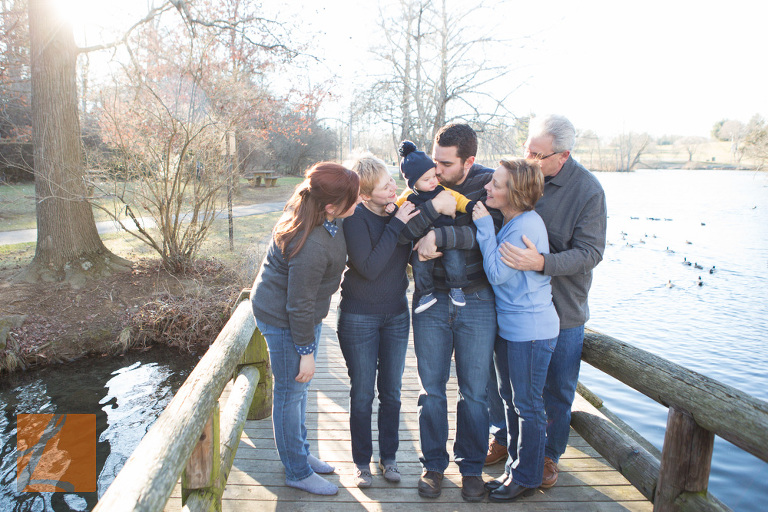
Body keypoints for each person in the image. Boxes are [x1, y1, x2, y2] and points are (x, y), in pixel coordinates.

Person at [499, 114, 607, 488]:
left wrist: (542, 262)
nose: (529, 159)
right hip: (515, 304)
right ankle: (504, 438)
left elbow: (591, 252)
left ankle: (548, 455)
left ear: (563, 156)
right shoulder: (518, 175)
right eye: (527, 150)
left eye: (538, 155)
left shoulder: (588, 191)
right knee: (508, 383)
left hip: (563, 308)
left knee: (558, 388)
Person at [399, 123, 503, 502]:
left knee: (475, 392)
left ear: (468, 161)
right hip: (430, 300)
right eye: (434, 161)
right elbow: (402, 231)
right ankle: (433, 466)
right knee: (431, 390)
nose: (436, 170)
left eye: (445, 164)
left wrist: (438, 235)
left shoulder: (490, 185)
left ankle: (471, 467)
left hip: (476, 299)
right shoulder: (422, 184)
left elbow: (490, 231)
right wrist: (431, 216)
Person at [250, 162, 360, 496]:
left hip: (302, 314)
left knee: (300, 390)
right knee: (290, 392)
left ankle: (300, 453)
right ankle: (296, 471)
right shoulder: (310, 243)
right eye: (354, 198)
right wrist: (306, 352)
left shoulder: (325, 216)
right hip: (284, 318)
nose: (359, 202)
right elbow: (297, 305)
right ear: (331, 207)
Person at [473, 158, 560, 501]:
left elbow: (496, 274)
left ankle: (526, 477)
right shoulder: (513, 221)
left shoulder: (526, 227)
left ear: (516, 192)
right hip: (512, 328)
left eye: (495, 184)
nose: (487, 187)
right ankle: (514, 469)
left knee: (527, 405)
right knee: (512, 402)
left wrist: (484, 227)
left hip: (531, 330)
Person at [336, 154, 419, 488]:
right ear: (365, 195)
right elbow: (369, 268)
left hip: (396, 315)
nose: (393, 187)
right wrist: (396, 224)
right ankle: (361, 463)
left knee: (392, 393)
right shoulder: (355, 218)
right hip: (359, 317)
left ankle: (389, 458)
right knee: (362, 394)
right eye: (385, 186)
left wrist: (405, 223)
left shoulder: (398, 211)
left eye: (391, 180)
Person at [389, 140, 479, 313]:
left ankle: (456, 288)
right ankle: (426, 293)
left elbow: (459, 199)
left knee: (455, 259)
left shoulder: (441, 189)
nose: (433, 181)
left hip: (447, 236)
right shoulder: (409, 197)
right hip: (421, 241)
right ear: (413, 183)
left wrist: (470, 206)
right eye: (426, 179)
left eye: (433, 176)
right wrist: (392, 210)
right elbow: (398, 210)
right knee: (420, 265)